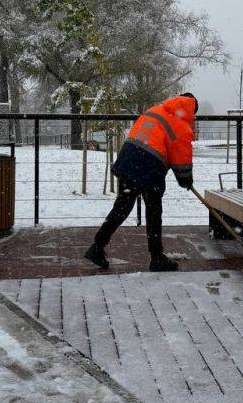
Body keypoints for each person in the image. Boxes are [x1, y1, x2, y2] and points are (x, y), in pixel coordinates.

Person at [84, 93, 197, 272]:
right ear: (191, 111)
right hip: (149, 165)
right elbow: (182, 160)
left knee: (122, 206)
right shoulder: (181, 125)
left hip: (129, 157)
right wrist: (186, 180)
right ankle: (157, 257)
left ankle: (97, 246)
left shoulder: (156, 110)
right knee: (153, 211)